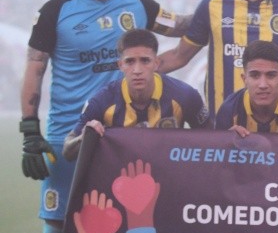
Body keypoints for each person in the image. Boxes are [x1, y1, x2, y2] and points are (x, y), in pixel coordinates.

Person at [21, 0, 191, 233]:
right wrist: (30, 131)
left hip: (123, 137)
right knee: (58, 229)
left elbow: (183, 25)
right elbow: (35, 68)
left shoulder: (139, 6)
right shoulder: (56, 10)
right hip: (68, 137)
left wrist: (225, 7)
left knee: (126, 227)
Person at [63, 29, 211, 161]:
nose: (137, 70)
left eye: (145, 61)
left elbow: (213, 140)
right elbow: (68, 152)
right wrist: (86, 137)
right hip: (122, 182)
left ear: (156, 63)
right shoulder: (102, 101)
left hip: (170, 180)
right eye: (130, 62)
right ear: (121, 65)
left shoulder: (185, 95)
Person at [215, 40, 278, 136]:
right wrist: (226, 141)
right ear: (244, 79)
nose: (263, 85)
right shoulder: (228, 112)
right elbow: (216, 152)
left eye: (271, 75)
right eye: (255, 75)